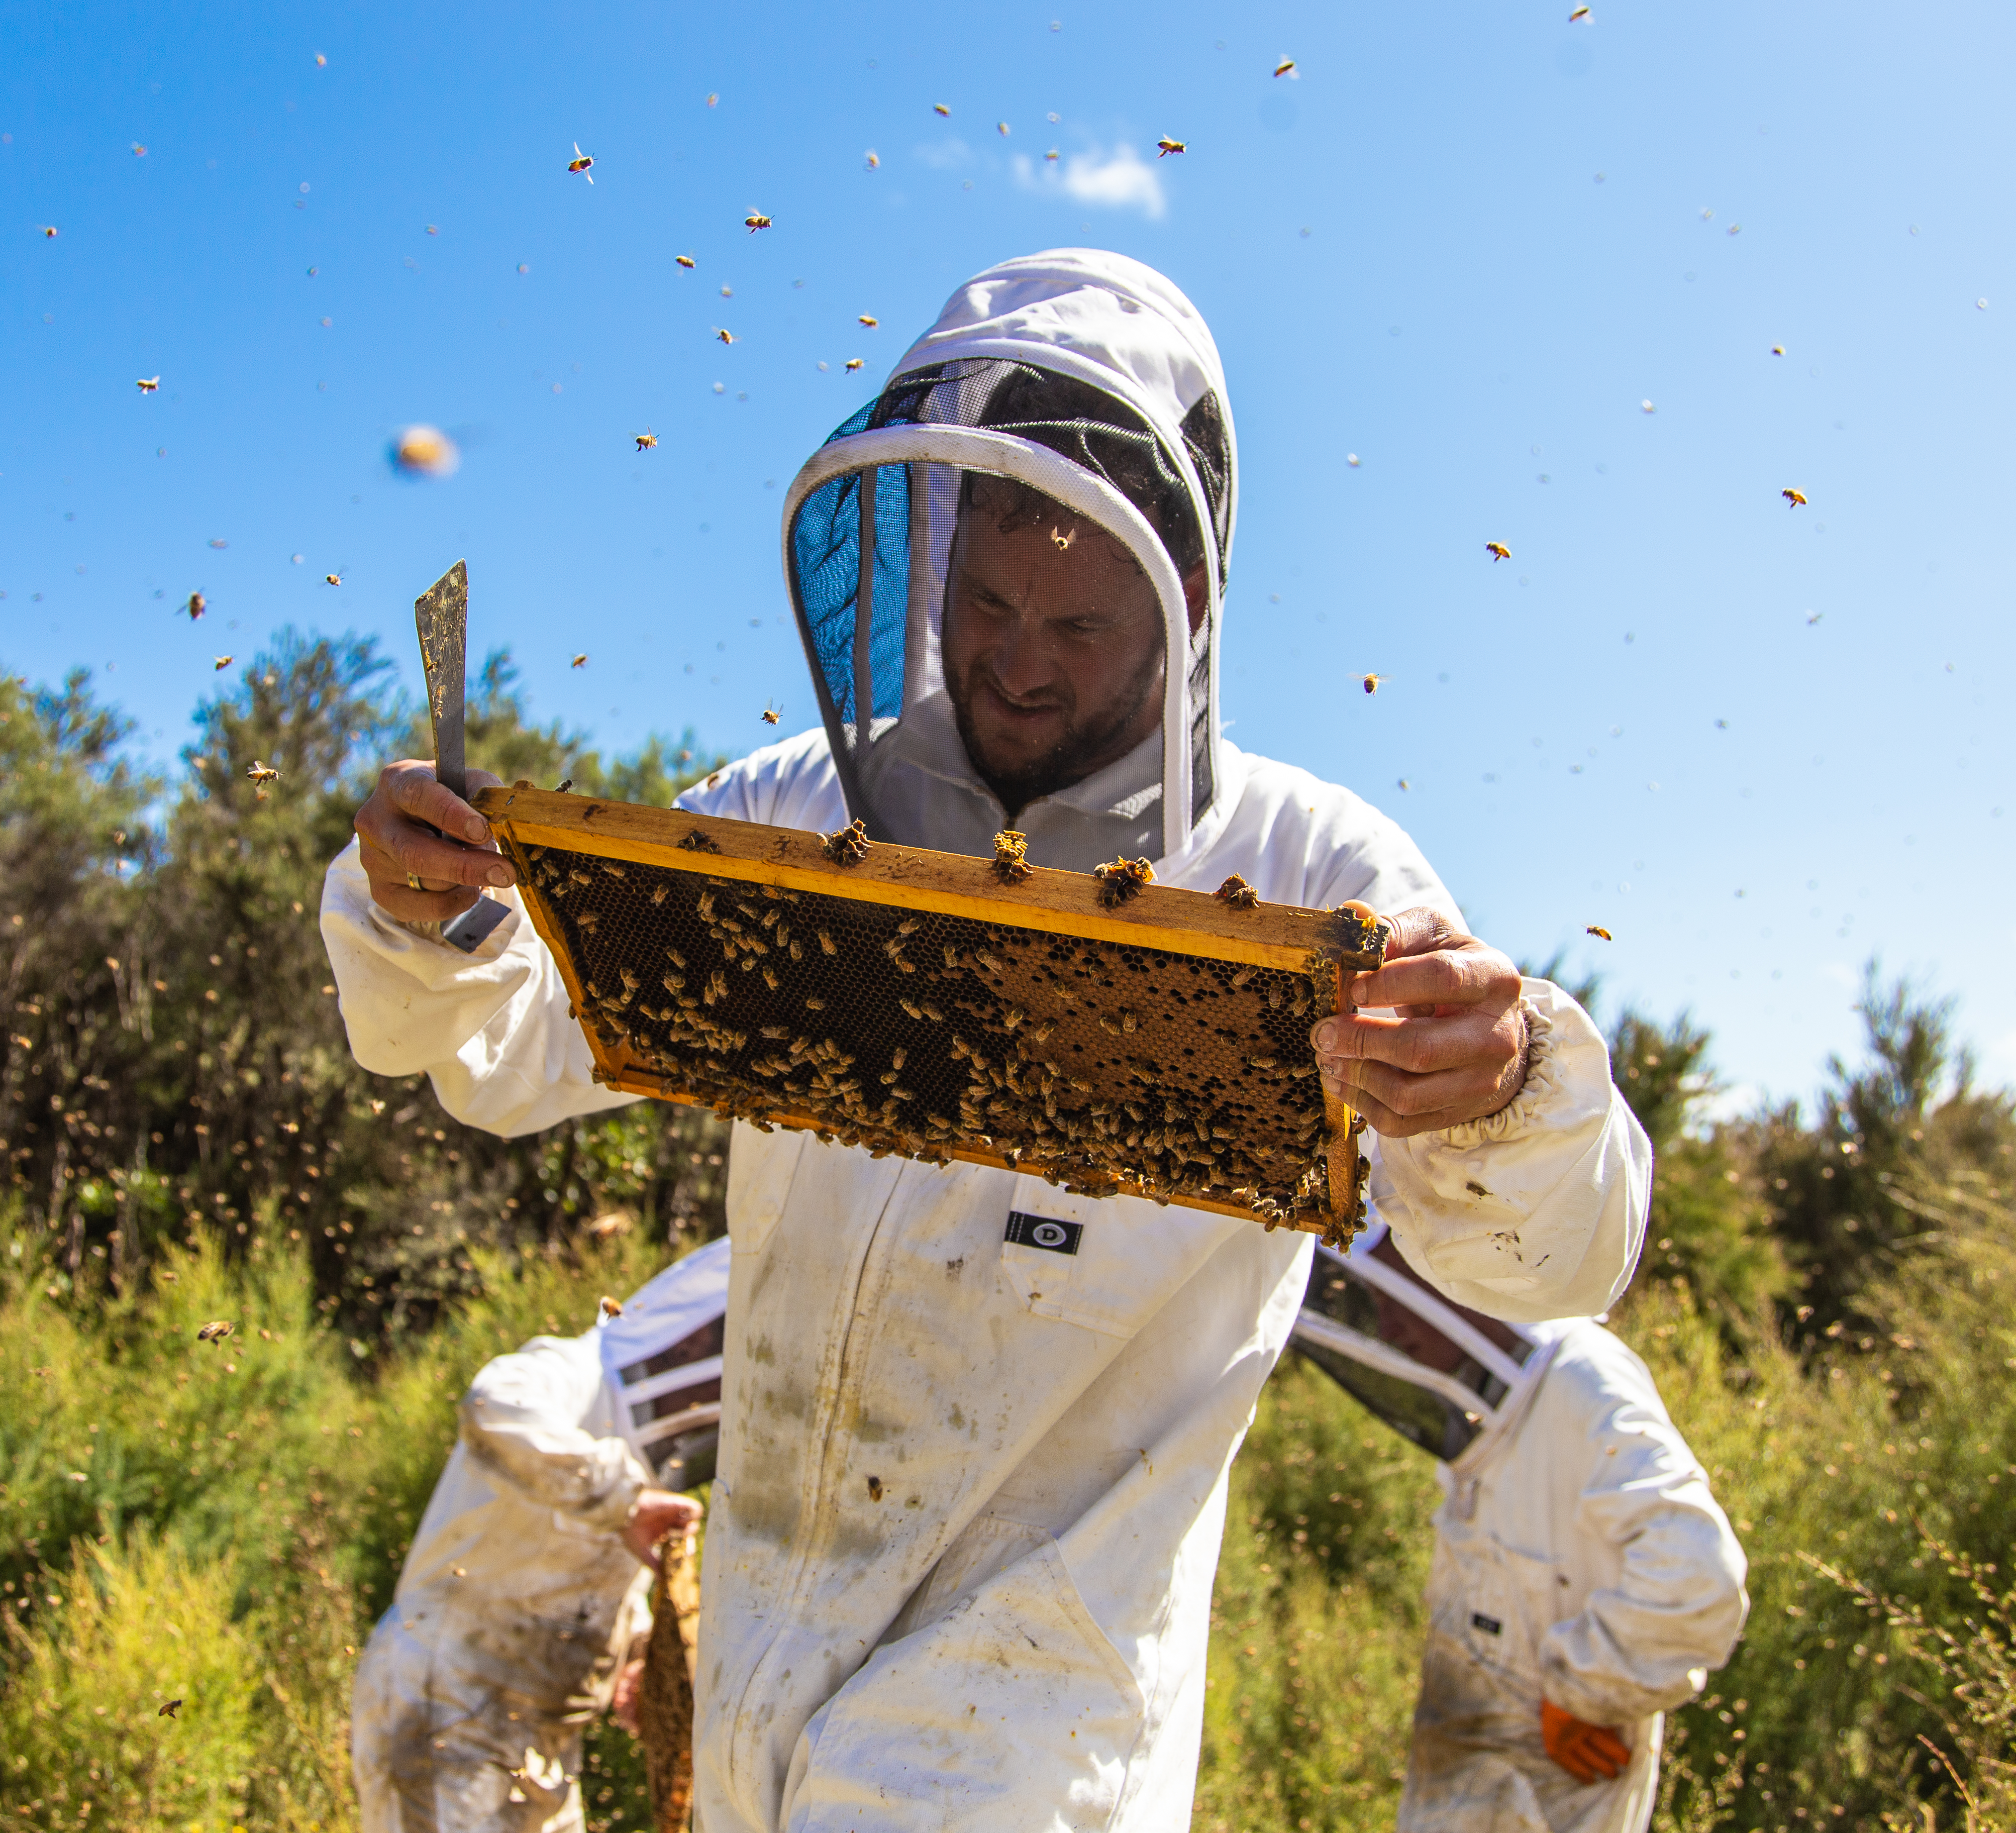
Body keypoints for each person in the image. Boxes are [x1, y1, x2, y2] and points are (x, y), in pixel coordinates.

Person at [325, 248, 1654, 1830]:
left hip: (1032, 1731)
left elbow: (1551, 1259)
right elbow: (500, 1044)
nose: (1025, 658)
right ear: (926, 560)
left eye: (1082, 623)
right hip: (767, 1652)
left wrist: (1509, 1094)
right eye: (991, 601)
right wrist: (435, 911)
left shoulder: (1316, 873)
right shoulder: (785, 813)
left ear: (1184, 602)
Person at [1295, 1228, 1748, 1832]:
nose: (1389, 1329)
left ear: (1448, 1270)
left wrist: (1584, 1693)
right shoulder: (1484, 1419)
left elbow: (1696, 1572)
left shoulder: (1579, 1377)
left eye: (1394, 1302)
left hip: (1555, 1802)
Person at [351, 1237, 728, 1833]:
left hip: (542, 1745)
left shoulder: (640, 1478)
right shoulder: (576, 1372)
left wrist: (636, 1662)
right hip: (446, 1714)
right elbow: (493, 1403)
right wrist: (618, 1499)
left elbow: (580, 1581)